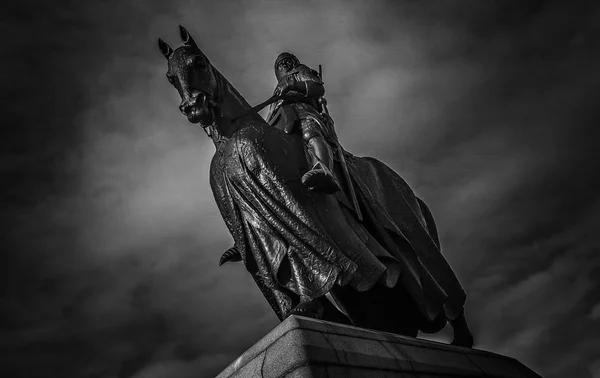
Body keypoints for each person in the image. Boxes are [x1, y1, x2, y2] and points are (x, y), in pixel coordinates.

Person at [266, 52, 341, 194]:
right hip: (284, 118)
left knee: (310, 132)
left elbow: (318, 88)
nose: (284, 64)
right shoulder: (277, 90)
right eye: (281, 63)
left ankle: (324, 169)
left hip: (304, 111)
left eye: (287, 61)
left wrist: (293, 84)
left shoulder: (301, 71)